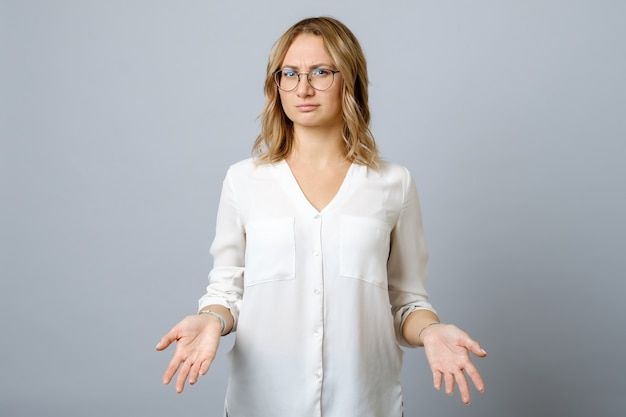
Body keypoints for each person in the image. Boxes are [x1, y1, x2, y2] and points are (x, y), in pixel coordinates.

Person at [156, 16, 486, 417]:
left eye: (321, 72)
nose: (303, 88)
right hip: (262, 404)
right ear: (275, 84)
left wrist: (431, 330)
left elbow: (406, 301)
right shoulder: (243, 181)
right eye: (290, 73)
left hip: (366, 404)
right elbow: (227, 292)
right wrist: (209, 319)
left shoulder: (393, 184)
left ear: (350, 79)